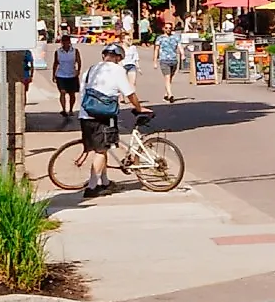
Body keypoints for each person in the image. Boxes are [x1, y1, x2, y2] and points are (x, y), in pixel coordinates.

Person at [79, 42, 143, 197]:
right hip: (105, 116)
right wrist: (139, 108)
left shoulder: (89, 70)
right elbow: (129, 93)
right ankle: (92, 187)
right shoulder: (117, 70)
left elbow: (82, 93)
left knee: (101, 149)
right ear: (119, 58)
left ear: (104, 56)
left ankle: (105, 182)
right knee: (101, 151)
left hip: (85, 115)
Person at [51, 33, 82, 121]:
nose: (65, 43)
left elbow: (79, 61)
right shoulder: (58, 52)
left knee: (72, 94)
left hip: (72, 75)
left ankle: (71, 109)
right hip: (61, 75)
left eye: (67, 41)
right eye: (63, 42)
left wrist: (78, 70)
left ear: (69, 42)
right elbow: (55, 63)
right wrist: (53, 74)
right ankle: (64, 109)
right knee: (62, 92)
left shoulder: (75, 51)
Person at [156, 29, 181, 104]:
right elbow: (156, 49)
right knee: (167, 77)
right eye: (166, 28)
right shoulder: (160, 38)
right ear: (164, 29)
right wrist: (155, 61)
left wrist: (182, 54)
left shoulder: (176, 37)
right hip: (164, 60)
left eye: (169, 28)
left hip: (173, 60)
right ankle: (170, 95)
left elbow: (180, 46)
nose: (168, 29)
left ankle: (166, 94)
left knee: (170, 78)